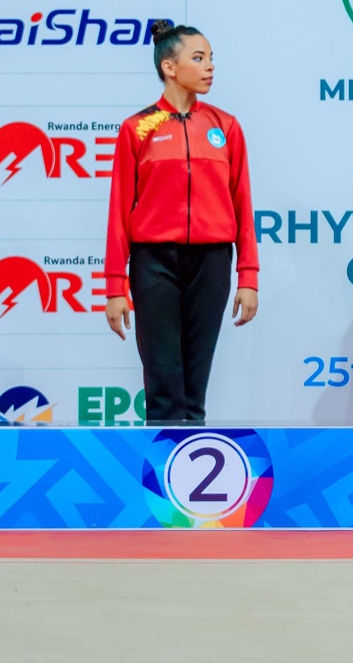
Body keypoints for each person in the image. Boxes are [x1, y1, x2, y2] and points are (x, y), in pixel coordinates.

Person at [102, 21, 259, 424]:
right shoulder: (138, 128)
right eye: (199, 58)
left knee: (194, 389)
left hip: (212, 263)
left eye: (211, 59)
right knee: (163, 387)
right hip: (154, 264)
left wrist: (248, 277)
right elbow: (119, 211)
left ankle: (191, 462)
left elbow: (243, 205)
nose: (210, 67)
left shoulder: (226, 126)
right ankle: (161, 463)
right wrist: (115, 287)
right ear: (169, 67)